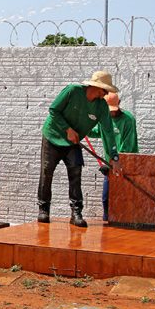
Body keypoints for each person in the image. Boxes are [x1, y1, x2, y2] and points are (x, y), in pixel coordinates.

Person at [37, 70, 120, 228]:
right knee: (46, 172)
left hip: (72, 143)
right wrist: (67, 129)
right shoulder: (72, 91)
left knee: (76, 173)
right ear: (96, 87)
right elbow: (53, 110)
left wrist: (114, 157)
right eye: (105, 91)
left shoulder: (101, 106)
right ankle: (43, 209)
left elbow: (108, 131)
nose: (105, 94)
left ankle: (76, 213)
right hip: (52, 136)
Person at [90, 92, 139, 221]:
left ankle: (125, 228)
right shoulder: (104, 119)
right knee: (106, 198)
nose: (111, 113)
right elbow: (96, 132)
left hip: (126, 165)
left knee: (124, 199)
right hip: (111, 166)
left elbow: (127, 146)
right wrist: (80, 128)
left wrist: (113, 163)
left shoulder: (128, 119)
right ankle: (107, 224)